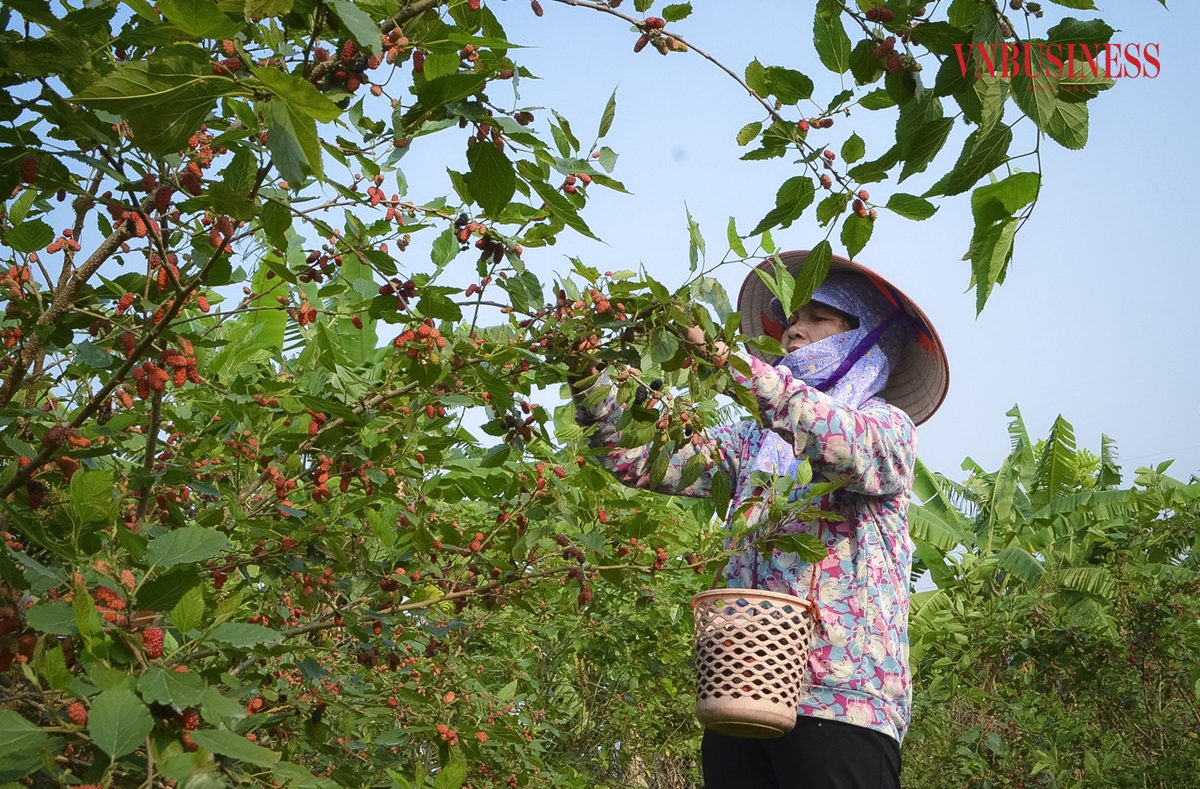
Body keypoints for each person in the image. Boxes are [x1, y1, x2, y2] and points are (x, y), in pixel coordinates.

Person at [571, 250, 949, 789]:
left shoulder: (885, 428)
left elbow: (832, 438)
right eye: (792, 317)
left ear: (866, 337)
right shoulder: (753, 437)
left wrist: (724, 362)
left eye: (819, 316)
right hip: (743, 687)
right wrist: (589, 381)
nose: (795, 329)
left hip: (842, 702)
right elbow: (643, 459)